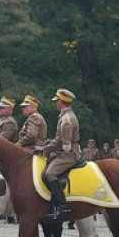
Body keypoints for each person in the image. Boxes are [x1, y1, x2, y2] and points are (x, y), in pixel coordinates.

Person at [42, 88, 80, 219]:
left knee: (50, 173)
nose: (55, 103)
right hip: (63, 151)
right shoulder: (65, 116)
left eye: (56, 100)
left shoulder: (67, 119)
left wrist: (44, 149)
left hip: (68, 154)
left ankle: (62, 207)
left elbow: (61, 142)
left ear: (61, 102)